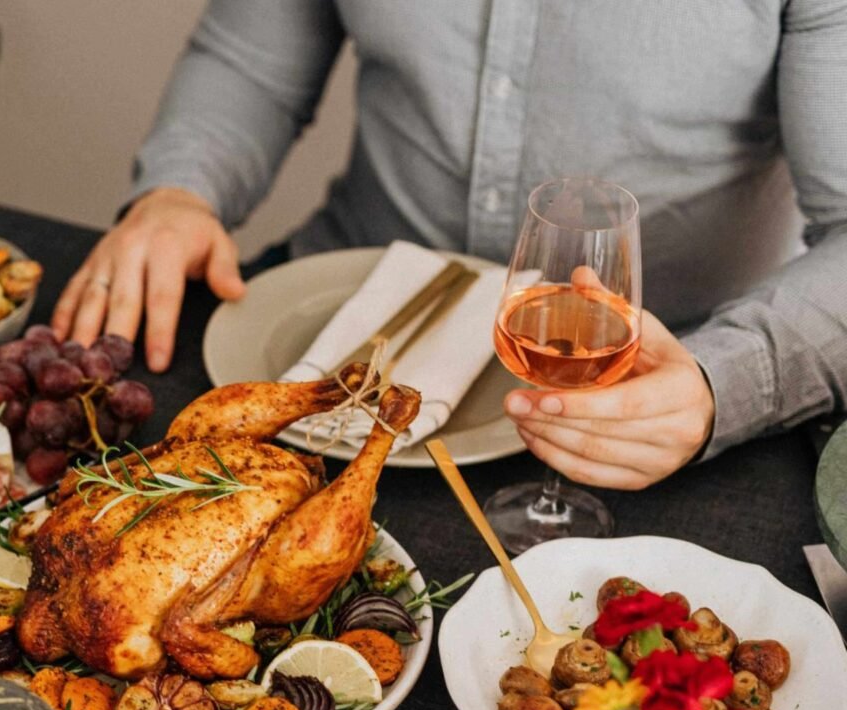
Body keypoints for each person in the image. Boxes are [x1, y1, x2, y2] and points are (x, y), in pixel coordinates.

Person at [54, 1, 847, 490]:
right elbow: (250, 67)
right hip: (323, 336)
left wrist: (721, 383)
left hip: (639, 415)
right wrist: (179, 192)